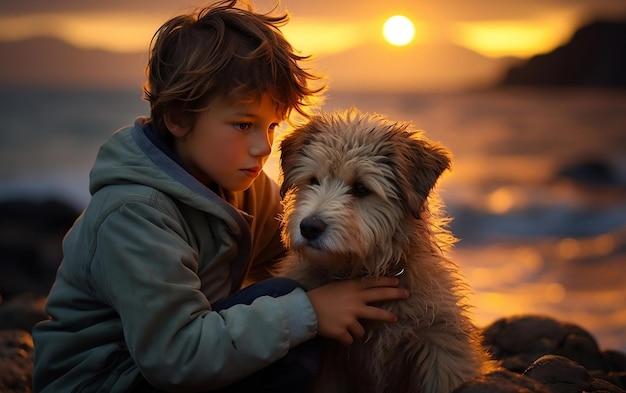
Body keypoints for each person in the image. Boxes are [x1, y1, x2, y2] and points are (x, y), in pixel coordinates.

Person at [32, 1, 410, 392]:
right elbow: (174, 355)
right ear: (178, 118)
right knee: (291, 302)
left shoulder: (240, 184)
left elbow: (295, 258)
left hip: (169, 365)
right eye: (243, 124)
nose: (263, 147)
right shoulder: (135, 214)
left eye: (272, 125)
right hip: (107, 381)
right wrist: (310, 312)